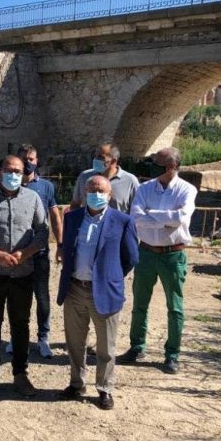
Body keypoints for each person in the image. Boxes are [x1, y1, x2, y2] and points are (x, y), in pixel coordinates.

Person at [56, 175, 138, 410]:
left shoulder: (122, 221)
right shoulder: (71, 219)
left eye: (101, 190)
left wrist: (110, 277)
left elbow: (130, 257)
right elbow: (67, 250)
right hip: (74, 289)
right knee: (75, 342)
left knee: (106, 346)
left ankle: (104, 388)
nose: (96, 193)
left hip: (104, 291)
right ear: (83, 193)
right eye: (91, 189)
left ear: (110, 195)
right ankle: (76, 383)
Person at [0, 155, 49, 397]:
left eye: (18, 170)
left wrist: (25, 254)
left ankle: (20, 374)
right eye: (9, 170)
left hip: (22, 273)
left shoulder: (33, 198)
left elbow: (42, 232)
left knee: (21, 324)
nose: (14, 174)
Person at [117, 147, 197, 375]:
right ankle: (137, 346)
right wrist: (165, 219)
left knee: (175, 306)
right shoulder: (144, 188)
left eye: (157, 163)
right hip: (146, 253)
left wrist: (152, 215)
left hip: (173, 254)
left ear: (171, 166)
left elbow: (181, 218)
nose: (152, 167)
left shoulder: (186, 190)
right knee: (139, 303)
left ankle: (172, 354)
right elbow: (135, 217)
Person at [4, 143, 62, 359]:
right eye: (23, 159)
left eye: (31, 158)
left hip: (38, 253)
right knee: (17, 297)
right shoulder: (9, 185)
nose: (27, 163)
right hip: (15, 256)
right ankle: (16, 337)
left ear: (37, 161)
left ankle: (43, 338)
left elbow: (54, 215)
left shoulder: (46, 187)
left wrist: (60, 243)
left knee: (42, 296)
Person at [71, 140, 139, 214]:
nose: (95, 159)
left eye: (101, 157)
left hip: (117, 224)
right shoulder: (84, 177)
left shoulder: (130, 180)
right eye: (95, 156)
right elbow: (75, 204)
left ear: (113, 161)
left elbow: (137, 209)